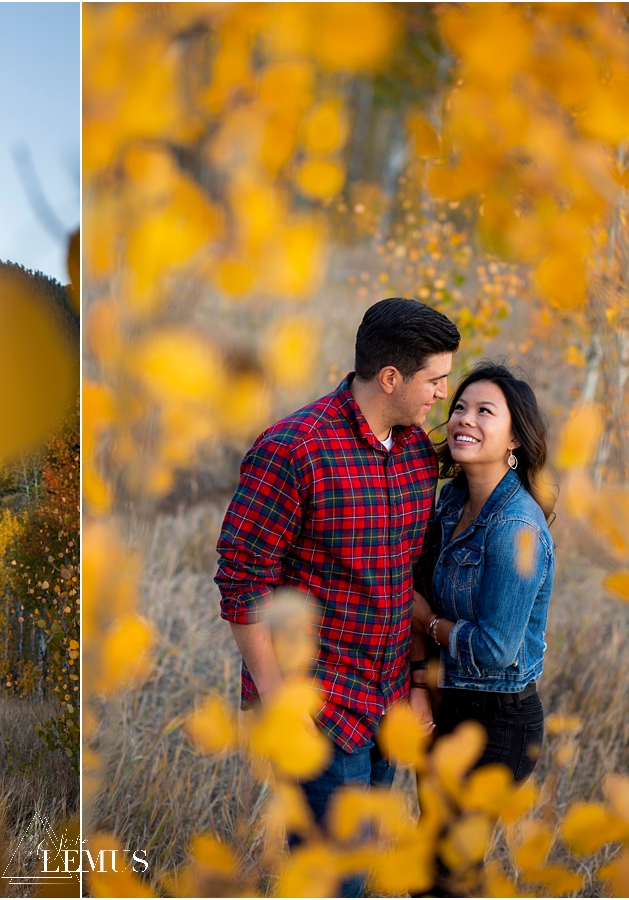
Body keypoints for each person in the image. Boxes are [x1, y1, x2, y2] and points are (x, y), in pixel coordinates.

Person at [215, 297, 460, 898]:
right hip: (318, 704)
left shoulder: (414, 457)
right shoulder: (294, 449)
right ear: (391, 377)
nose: (441, 395)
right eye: (435, 380)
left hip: (386, 702)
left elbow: (411, 580)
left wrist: (419, 685)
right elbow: (242, 580)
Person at [409, 362, 555, 893]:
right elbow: (418, 582)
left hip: (499, 724)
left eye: (484, 411)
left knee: (447, 877)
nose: (464, 420)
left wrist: (427, 620)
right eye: (460, 408)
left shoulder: (516, 527)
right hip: (448, 705)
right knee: (429, 867)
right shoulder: (450, 502)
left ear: (515, 436)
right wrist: (421, 686)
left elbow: (494, 649)